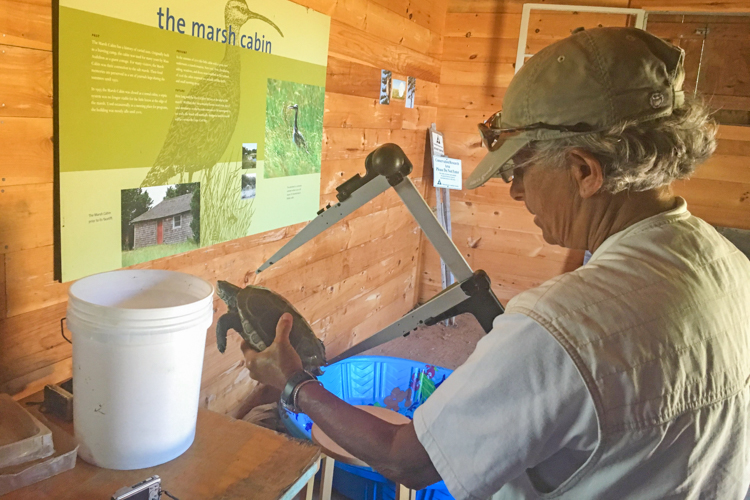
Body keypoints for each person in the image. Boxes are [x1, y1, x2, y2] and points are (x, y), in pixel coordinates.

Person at [242, 27, 750, 499]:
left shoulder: (562, 328)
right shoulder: (727, 263)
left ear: (585, 170)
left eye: (521, 168)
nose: (517, 189)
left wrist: (294, 383)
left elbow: (409, 462)